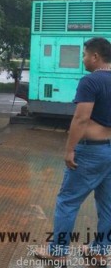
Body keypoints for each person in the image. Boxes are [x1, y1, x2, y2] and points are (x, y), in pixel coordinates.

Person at [35, 37, 111, 266]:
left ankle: (58, 251)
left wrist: (70, 150)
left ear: (96, 56)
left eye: (85, 55)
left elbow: (81, 118)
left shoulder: (91, 81)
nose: (83, 59)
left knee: (67, 202)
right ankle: (100, 251)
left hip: (90, 152)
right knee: (107, 205)